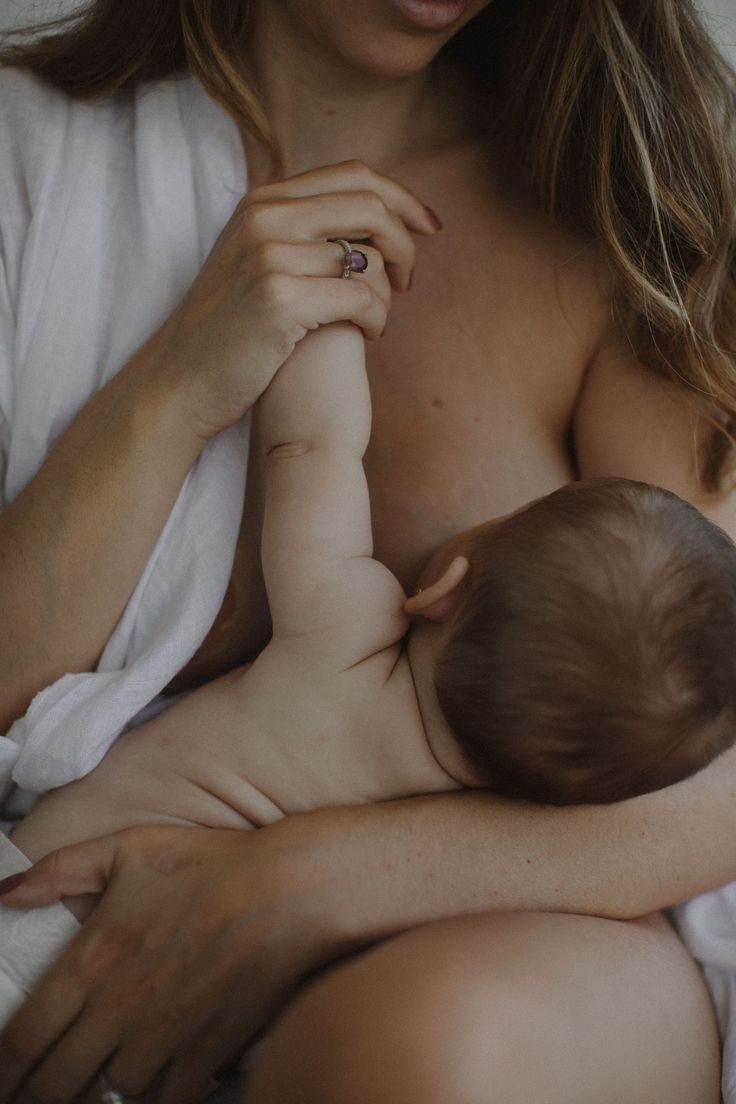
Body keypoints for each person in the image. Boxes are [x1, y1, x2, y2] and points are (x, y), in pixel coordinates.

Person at [0, 1, 734, 1103]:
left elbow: (717, 758)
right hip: (70, 898)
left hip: (506, 933)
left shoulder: (625, 212)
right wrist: (174, 384)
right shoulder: (30, 158)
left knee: (427, 1053)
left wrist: (302, 883)